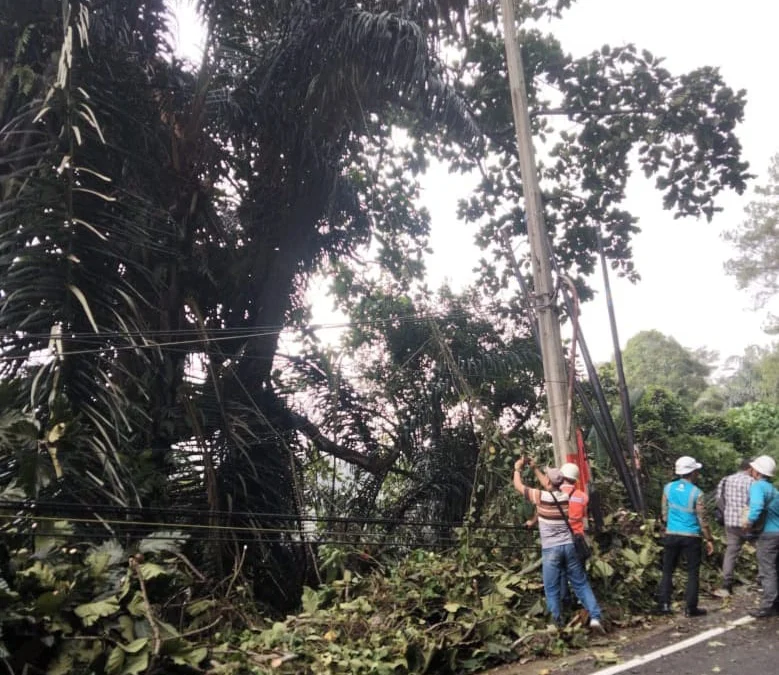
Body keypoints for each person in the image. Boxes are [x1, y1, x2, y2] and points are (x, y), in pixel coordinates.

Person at [512, 456, 605, 631]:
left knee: (551, 587)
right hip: (570, 545)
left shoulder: (542, 497)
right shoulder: (566, 498)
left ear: (549, 481)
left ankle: (557, 623)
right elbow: (550, 486)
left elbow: (518, 486)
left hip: (551, 549)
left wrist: (518, 468)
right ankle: (595, 617)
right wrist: (536, 469)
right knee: (581, 583)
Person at [656, 456, 714, 617]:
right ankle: (690, 608)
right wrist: (709, 538)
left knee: (667, 570)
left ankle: (665, 605)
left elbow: (664, 513)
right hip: (691, 536)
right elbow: (703, 520)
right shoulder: (697, 493)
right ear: (693, 472)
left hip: (672, 534)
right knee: (692, 572)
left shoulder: (668, 488)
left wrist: (670, 525)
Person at [743, 455, 779, 618]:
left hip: (768, 535)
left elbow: (756, 507)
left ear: (757, 471)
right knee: (776, 568)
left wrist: (748, 523)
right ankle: (776, 603)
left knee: (767, 570)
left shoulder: (758, 487)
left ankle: (768, 606)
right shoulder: (773, 490)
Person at [713, 458, 755, 597]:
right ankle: (764, 580)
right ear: (750, 469)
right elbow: (756, 503)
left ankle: (726, 585)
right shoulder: (752, 482)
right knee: (762, 550)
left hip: (730, 523)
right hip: (748, 524)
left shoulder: (725, 480)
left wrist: (728, 513)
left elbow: (719, 500)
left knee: (731, 553)